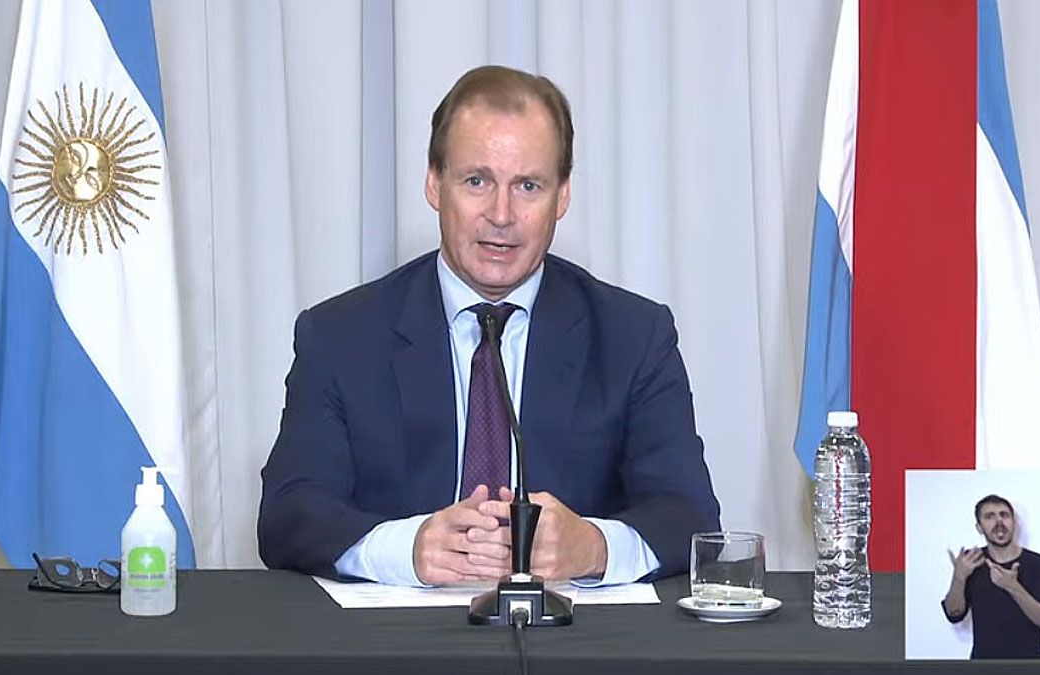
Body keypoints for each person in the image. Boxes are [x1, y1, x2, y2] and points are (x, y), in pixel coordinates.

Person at [257, 65, 720, 587]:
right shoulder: (340, 337)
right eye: (476, 181)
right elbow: (287, 515)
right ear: (435, 184)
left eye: (528, 186)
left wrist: (593, 546)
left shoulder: (634, 337)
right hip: (395, 634)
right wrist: (405, 548)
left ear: (562, 197)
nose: (501, 214)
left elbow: (690, 516)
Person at [941, 494, 1040, 659]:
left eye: (1004, 515)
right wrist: (959, 577)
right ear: (979, 527)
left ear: (1014, 522)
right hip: (983, 665)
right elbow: (954, 614)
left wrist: (1012, 586)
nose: (999, 522)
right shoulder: (971, 561)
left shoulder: (1038, 563)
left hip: (1029, 664)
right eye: (989, 516)